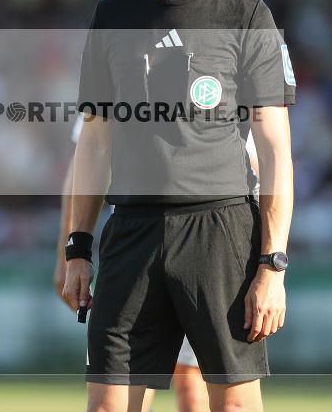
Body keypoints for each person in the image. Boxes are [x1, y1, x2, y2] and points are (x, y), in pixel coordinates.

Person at [63, 0, 295, 412]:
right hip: (132, 232)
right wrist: (77, 245)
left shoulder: (247, 16)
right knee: (106, 407)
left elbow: (276, 150)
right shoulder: (113, 17)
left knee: (232, 406)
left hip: (221, 233)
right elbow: (94, 143)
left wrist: (273, 265)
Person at [55, 118, 261, 412]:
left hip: (212, 240)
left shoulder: (226, 82)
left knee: (193, 387)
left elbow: (260, 162)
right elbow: (87, 155)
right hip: (136, 241)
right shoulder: (116, 76)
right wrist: (71, 252)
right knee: (124, 388)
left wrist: (266, 261)